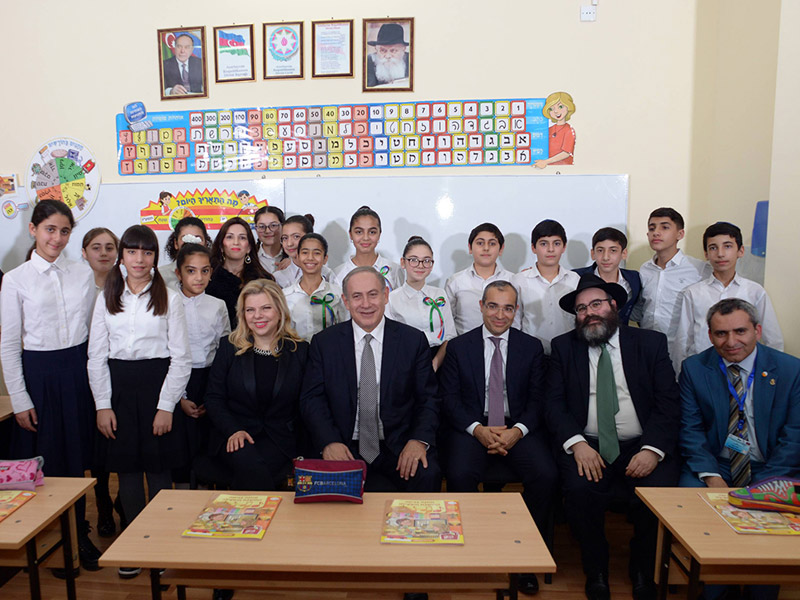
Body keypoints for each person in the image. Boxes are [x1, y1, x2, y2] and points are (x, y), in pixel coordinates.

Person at [546, 274, 681, 600]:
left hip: (642, 443)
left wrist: (652, 449)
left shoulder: (650, 344)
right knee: (579, 490)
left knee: (659, 492)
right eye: (581, 309)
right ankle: (597, 570)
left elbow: (669, 403)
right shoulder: (564, 347)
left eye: (596, 304)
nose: (588, 313)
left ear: (614, 306)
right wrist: (576, 444)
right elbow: (553, 405)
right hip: (588, 443)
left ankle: (642, 569)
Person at [0, 199, 102, 570]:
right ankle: (55, 536)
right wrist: (20, 398)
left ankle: (79, 534)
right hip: (38, 374)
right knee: (48, 462)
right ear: (33, 230)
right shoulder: (15, 280)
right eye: (49, 229)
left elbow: (94, 331)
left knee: (76, 459)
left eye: (63, 231)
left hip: (76, 368)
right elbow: (10, 345)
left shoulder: (81, 273)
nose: (56, 238)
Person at [439, 280, 556, 596]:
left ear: (516, 310)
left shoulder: (531, 347)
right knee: (460, 473)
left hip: (517, 427)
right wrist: (477, 429)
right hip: (473, 427)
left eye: (508, 307)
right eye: (493, 306)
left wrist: (517, 431)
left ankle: (527, 558)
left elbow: (538, 400)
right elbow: (449, 398)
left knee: (545, 474)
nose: (500, 314)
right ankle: (473, 550)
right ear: (481, 306)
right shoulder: (459, 347)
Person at [88, 225, 191, 579]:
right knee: (128, 472)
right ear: (122, 256)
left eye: (147, 253)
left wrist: (166, 406)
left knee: (159, 472)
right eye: (132, 252)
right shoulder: (106, 296)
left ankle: (161, 543)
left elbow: (181, 359)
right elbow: (96, 356)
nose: (139, 259)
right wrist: (103, 404)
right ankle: (134, 544)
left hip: (156, 387)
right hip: (117, 389)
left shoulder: (170, 298)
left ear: (154, 258)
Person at [679, 299, 796, 600]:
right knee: (697, 503)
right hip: (716, 464)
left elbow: (794, 437)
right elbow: (690, 431)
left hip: (771, 467)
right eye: (720, 334)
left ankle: (761, 587)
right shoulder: (694, 369)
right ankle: (714, 585)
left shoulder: (790, 370)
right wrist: (710, 476)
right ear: (709, 335)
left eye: (740, 331)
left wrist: (763, 486)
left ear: (757, 330)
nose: (731, 342)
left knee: (770, 515)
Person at [300, 266, 441, 493]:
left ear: (386, 296)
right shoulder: (325, 343)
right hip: (345, 443)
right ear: (346, 302)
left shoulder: (412, 341)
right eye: (357, 296)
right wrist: (329, 442)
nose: (366, 304)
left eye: (373, 294)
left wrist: (418, 440)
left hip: (398, 443)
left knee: (427, 474)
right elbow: (312, 400)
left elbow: (429, 399)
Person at [204, 279, 308, 491]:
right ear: (242, 315)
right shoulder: (229, 347)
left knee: (265, 469)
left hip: (280, 437)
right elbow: (213, 398)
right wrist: (233, 430)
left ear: (279, 310)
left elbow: (306, 403)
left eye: (265, 308)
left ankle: (244, 521)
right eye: (250, 310)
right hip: (236, 434)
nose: (257, 316)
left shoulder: (300, 351)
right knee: (251, 466)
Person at [669, 222, 783, 373]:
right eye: (713, 248)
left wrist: (772, 375)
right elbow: (683, 340)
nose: (720, 254)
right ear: (706, 254)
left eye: (727, 246)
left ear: (740, 251)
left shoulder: (755, 291)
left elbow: (773, 340)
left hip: (747, 371)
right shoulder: (693, 293)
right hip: (704, 370)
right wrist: (681, 376)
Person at [171, 243, 230, 488]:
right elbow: (168, 353)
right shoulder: (168, 303)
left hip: (211, 379)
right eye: (191, 271)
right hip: (178, 379)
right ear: (179, 273)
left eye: (205, 271)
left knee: (208, 446)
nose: (199, 277)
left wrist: (214, 392)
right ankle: (183, 496)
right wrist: (180, 396)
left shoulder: (217, 305)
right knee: (182, 449)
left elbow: (224, 348)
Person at [81, 226, 124, 537]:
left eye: (110, 247)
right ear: (84, 252)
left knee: (120, 439)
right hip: (86, 370)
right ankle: (103, 503)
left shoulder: (127, 285)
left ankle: (124, 499)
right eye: (97, 247)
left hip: (121, 372)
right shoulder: (78, 287)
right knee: (97, 446)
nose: (104, 253)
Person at [632, 207, 709, 334]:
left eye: (664, 227)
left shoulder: (698, 269)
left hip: (681, 347)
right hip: (649, 343)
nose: (656, 232)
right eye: (652, 228)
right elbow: (641, 308)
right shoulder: (645, 269)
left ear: (680, 234)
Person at [512, 219, 579, 354]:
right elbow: (514, 321)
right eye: (543, 244)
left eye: (557, 243)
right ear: (533, 248)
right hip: (529, 353)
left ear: (564, 247)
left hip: (568, 352)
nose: (550, 249)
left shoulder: (574, 280)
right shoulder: (519, 280)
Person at [389, 236, 455, 371]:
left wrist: (435, 363)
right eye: (413, 260)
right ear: (403, 262)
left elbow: (450, 335)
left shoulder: (440, 294)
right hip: (405, 363)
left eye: (426, 261)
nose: (420, 265)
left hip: (440, 360)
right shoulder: (392, 299)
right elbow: (390, 340)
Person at [445, 223, 515, 336]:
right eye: (480, 243)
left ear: (501, 249)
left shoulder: (513, 280)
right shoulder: (455, 281)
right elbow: (448, 322)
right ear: (470, 247)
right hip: (463, 347)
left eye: (492, 243)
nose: (486, 248)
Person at [206, 217, 272, 328]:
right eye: (230, 237)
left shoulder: (263, 280)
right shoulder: (208, 279)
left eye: (242, 238)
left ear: (249, 247)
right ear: (221, 246)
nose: (236, 242)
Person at [283, 233, 348, 342]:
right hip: (295, 354)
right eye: (305, 252)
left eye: (317, 253)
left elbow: (345, 328)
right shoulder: (285, 296)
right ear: (298, 257)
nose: (310, 258)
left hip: (329, 353)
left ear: (325, 258)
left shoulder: (337, 294)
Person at [574, 227, 641, 325]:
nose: (606, 257)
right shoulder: (577, 277)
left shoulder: (634, 278)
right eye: (600, 250)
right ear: (593, 253)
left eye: (613, 251)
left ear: (624, 253)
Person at [334, 206, 402, 292]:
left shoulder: (394, 270)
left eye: (372, 232)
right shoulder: (338, 274)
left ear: (379, 234)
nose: (366, 238)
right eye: (359, 232)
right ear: (350, 234)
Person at [272, 214, 338, 288]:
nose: (289, 243)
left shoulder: (327, 274)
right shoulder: (279, 277)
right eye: (285, 238)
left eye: (296, 236)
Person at [159, 216, 212, 290]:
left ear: (205, 243)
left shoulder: (214, 275)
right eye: (185, 238)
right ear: (176, 244)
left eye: (197, 238)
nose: (191, 242)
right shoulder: (160, 275)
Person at [534, 91, 576, 168]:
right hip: (548, 168)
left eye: (560, 107)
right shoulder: (549, 130)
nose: (556, 111)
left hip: (564, 168)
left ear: (568, 107)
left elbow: (566, 153)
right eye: (551, 108)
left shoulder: (569, 130)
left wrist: (546, 162)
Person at [366, 23, 410, 88]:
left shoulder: (412, 61)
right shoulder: (368, 62)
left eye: (393, 51)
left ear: (403, 49)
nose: (388, 56)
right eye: (383, 50)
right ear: (376, 49)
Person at [254, 205, 286, 274]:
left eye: (273, 225)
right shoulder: (250, 257)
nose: (267, 231)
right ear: (256, 229)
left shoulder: (293, 256)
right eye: (262, 226)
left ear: (283, 226)